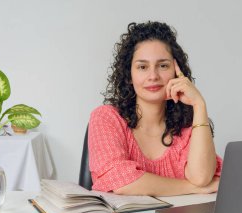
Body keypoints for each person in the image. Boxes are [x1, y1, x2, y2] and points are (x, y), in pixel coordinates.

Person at [88, 21, 222, 196]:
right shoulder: (106, 117)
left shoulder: (188, 127)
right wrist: (191, 188)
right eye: (142, 67)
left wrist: (199, 105)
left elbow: (202, 177)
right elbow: (120, 181)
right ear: (129, 75)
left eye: (163, 65)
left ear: (177, 72)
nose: (153, 76)